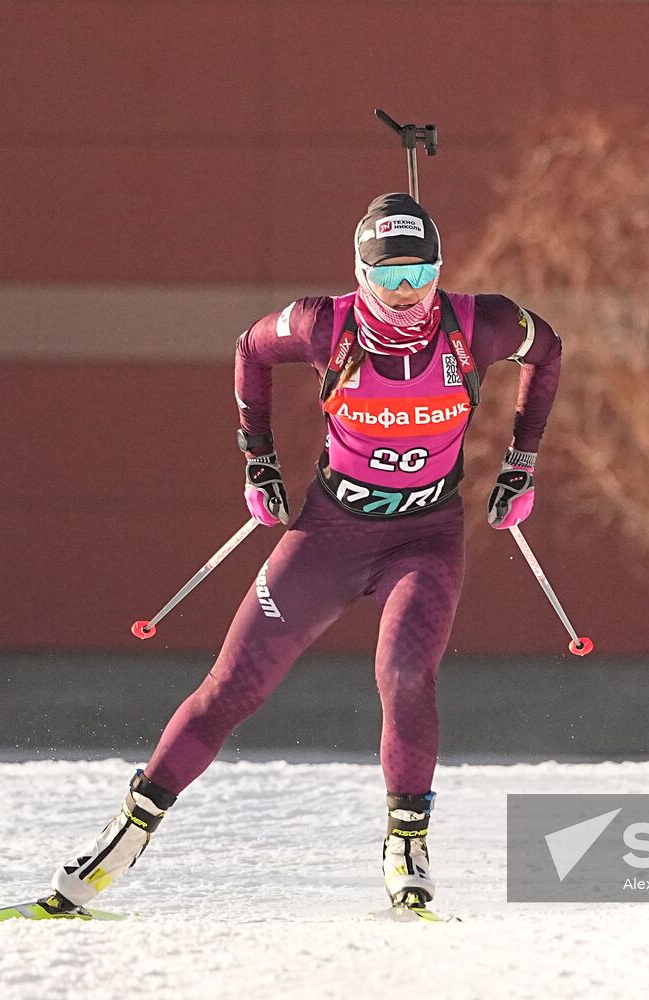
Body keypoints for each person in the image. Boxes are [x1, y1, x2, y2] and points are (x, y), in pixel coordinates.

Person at [40, 192, 563, 915]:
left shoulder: (481, 322)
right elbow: (250, 349)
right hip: (328, 533)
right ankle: (128, 833)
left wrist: (520, 463)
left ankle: (406, 845)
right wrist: (258, 461)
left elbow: (549, 348)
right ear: (360, 273)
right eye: (389, 278)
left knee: (406, 675)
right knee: (233, 687)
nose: (407, 295)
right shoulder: (326, 323)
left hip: (425, 535)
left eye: (421, 275)